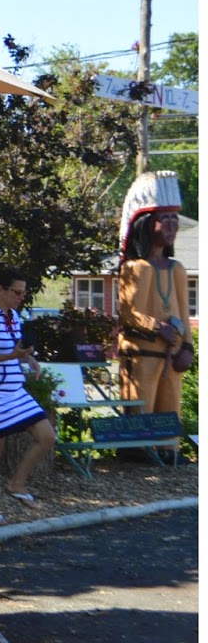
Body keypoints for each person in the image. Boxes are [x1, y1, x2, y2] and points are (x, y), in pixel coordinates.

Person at [0, 268, 56, 524]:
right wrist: (13, 356)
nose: (21, 297)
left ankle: (16, 483)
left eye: (23, 293)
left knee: (47, 436)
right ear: (1, 290)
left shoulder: (14, 317)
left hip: (15, 390)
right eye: (16, 292)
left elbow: (15, 349)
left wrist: (29, 358)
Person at [116, 171, 192, 454]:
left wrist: (188, 346)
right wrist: (156, 326)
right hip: (142, 349)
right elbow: (127, 312)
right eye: (165, 218)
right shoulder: (135, 268)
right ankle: (138, 450)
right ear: (149, 224)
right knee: (141, 401)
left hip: (173, 352)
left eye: (175, 219)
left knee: (170, 400)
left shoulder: (177, 268)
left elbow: (184, 313)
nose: (172, 225)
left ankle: (168, 450)